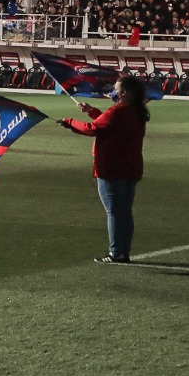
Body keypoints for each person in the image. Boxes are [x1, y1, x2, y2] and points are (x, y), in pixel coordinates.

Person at [59, 75, 150, 264]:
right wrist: (92, 111)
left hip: (111, 167)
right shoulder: (136, 112)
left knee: (114, 212)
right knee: (124, 211)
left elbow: (93, 128)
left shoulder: (118, 111)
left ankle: (116, 253)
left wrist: (70, 122)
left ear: (123, 92)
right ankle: (123, 251)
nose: (113, 91)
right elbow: (107, 124)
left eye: (116, 88)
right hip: (131, 167)